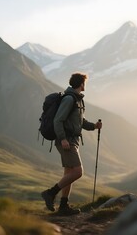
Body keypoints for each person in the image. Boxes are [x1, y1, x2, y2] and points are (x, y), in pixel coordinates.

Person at [41, 72, 102, 216]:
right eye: (84, 83)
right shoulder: (69, 99)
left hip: (72, 140)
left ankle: (63, 206)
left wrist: (94, 126)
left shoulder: (78, 100)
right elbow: (58, 120)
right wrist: (62, 139)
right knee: (77, 171)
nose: (85, 85)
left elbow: (80, 122)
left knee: (69, 172)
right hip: (66, 141)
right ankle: (50, 193)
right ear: (81, 84)